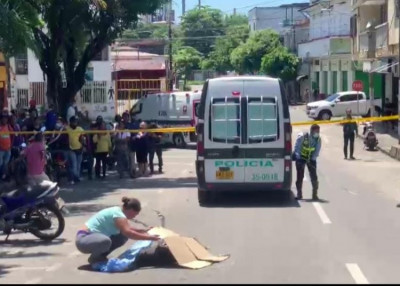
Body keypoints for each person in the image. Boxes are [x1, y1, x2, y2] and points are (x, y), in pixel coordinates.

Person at [75, 197, 160, 265]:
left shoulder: (118, 211)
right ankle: (95, 258)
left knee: (122, 237)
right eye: (135, 214)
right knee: (106, 241)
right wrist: (149, 237)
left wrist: (144, 230)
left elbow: (128, 229)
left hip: (90, 239)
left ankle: (101, 256)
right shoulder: (119, 215)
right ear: (131, 210)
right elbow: (129, 233)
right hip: (83, 239)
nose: (134, 216)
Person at [293, 124, 322, 201]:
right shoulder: (303, 136)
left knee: (314, 177)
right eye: (316, 131)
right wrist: (299, 158)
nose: (317, 133)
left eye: (318, 131)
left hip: (311, 158)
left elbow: (317, 151)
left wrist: (311, 159)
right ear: (311, 131)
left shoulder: (318, 139)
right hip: (301, 157)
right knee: (300, 176)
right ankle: (299, 194)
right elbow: (297, 148)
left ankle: (314, 195)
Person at [66, 116, 84, 184]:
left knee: (78, 164)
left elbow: (83, 138)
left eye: (76, 122)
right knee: (74, 164)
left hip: (79, 148)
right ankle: (74, 177)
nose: (75, 123)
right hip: (71, 149)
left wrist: (83, 146)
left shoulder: (80, 129)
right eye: (73, 122)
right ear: (70, 122)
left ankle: (77, 177)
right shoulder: (67, 129)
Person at [0, 113, 12, 180]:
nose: (5, 120)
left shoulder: (8, 126)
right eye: (3, 118)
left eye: (6, 119)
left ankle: (4, 176)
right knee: (0, 164)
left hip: (8, 149)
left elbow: (12, 134)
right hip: (1, 149)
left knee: (5, 163)